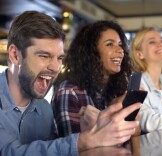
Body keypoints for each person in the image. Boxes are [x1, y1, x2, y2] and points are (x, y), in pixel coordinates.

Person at [0, 11, 140, 155]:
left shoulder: (44, 109)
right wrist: (84, 140)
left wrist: (90, 130)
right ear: (15, 55)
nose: (55, 67)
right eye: (44, 55)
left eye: (59, 58)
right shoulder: (66, 93)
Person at [51, 20, 133, 137]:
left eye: (120, 44)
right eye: (110, 44)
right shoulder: (69, 92)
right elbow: (73, 148)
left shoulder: (116, 91)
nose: (120, 50)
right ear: (91, 51)